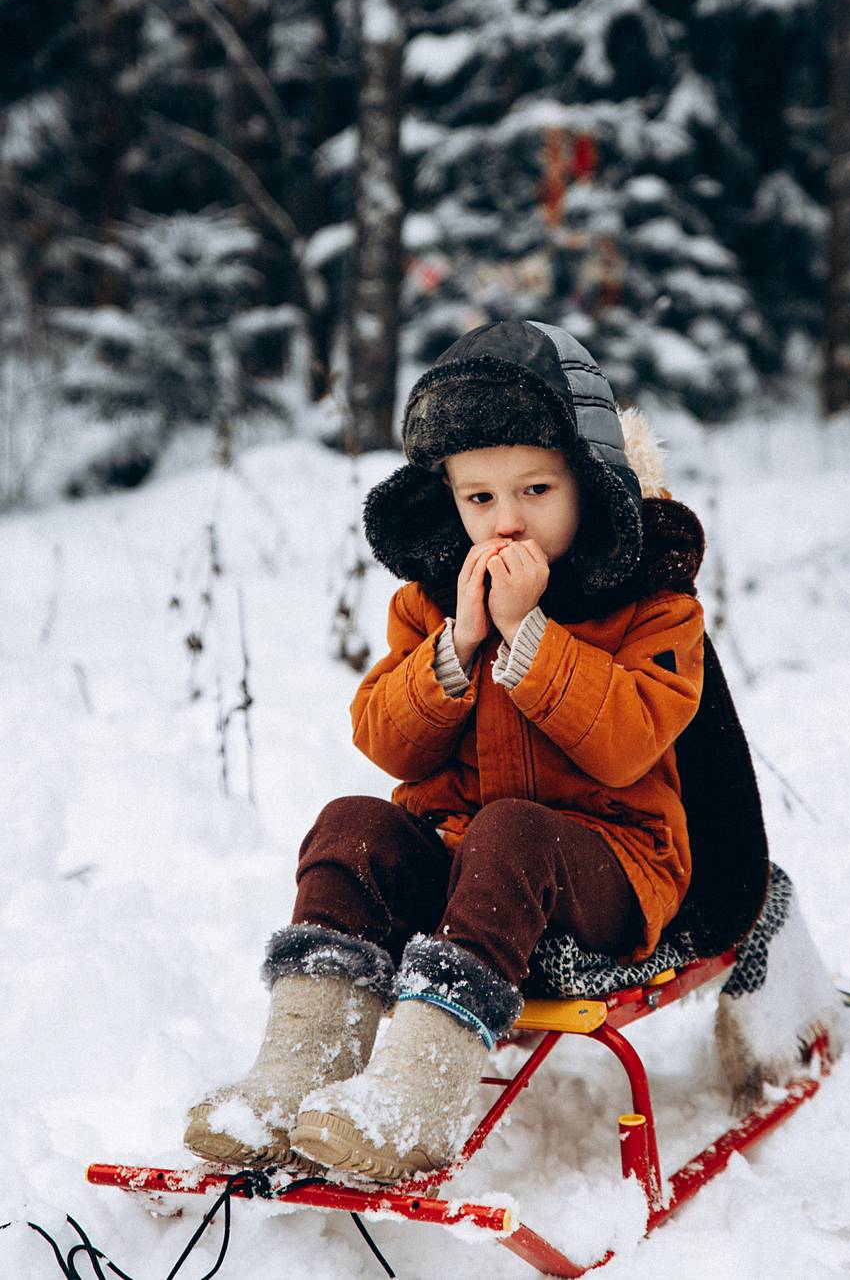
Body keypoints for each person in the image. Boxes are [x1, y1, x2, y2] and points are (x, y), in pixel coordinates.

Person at [183, 318, 711, 1183]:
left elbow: (628, 745)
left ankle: (414, 1105)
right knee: (350, 824)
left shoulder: (654, 606)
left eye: (536, 490)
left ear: (591, 481)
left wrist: (531, 639)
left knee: (510, 829)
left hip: (611, 868)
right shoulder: (430, 605)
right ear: (451, 501)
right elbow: (385, 740)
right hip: (474, 868)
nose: (506, 522)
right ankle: (295, 1077)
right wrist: (459, 647)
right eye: (480, 500)